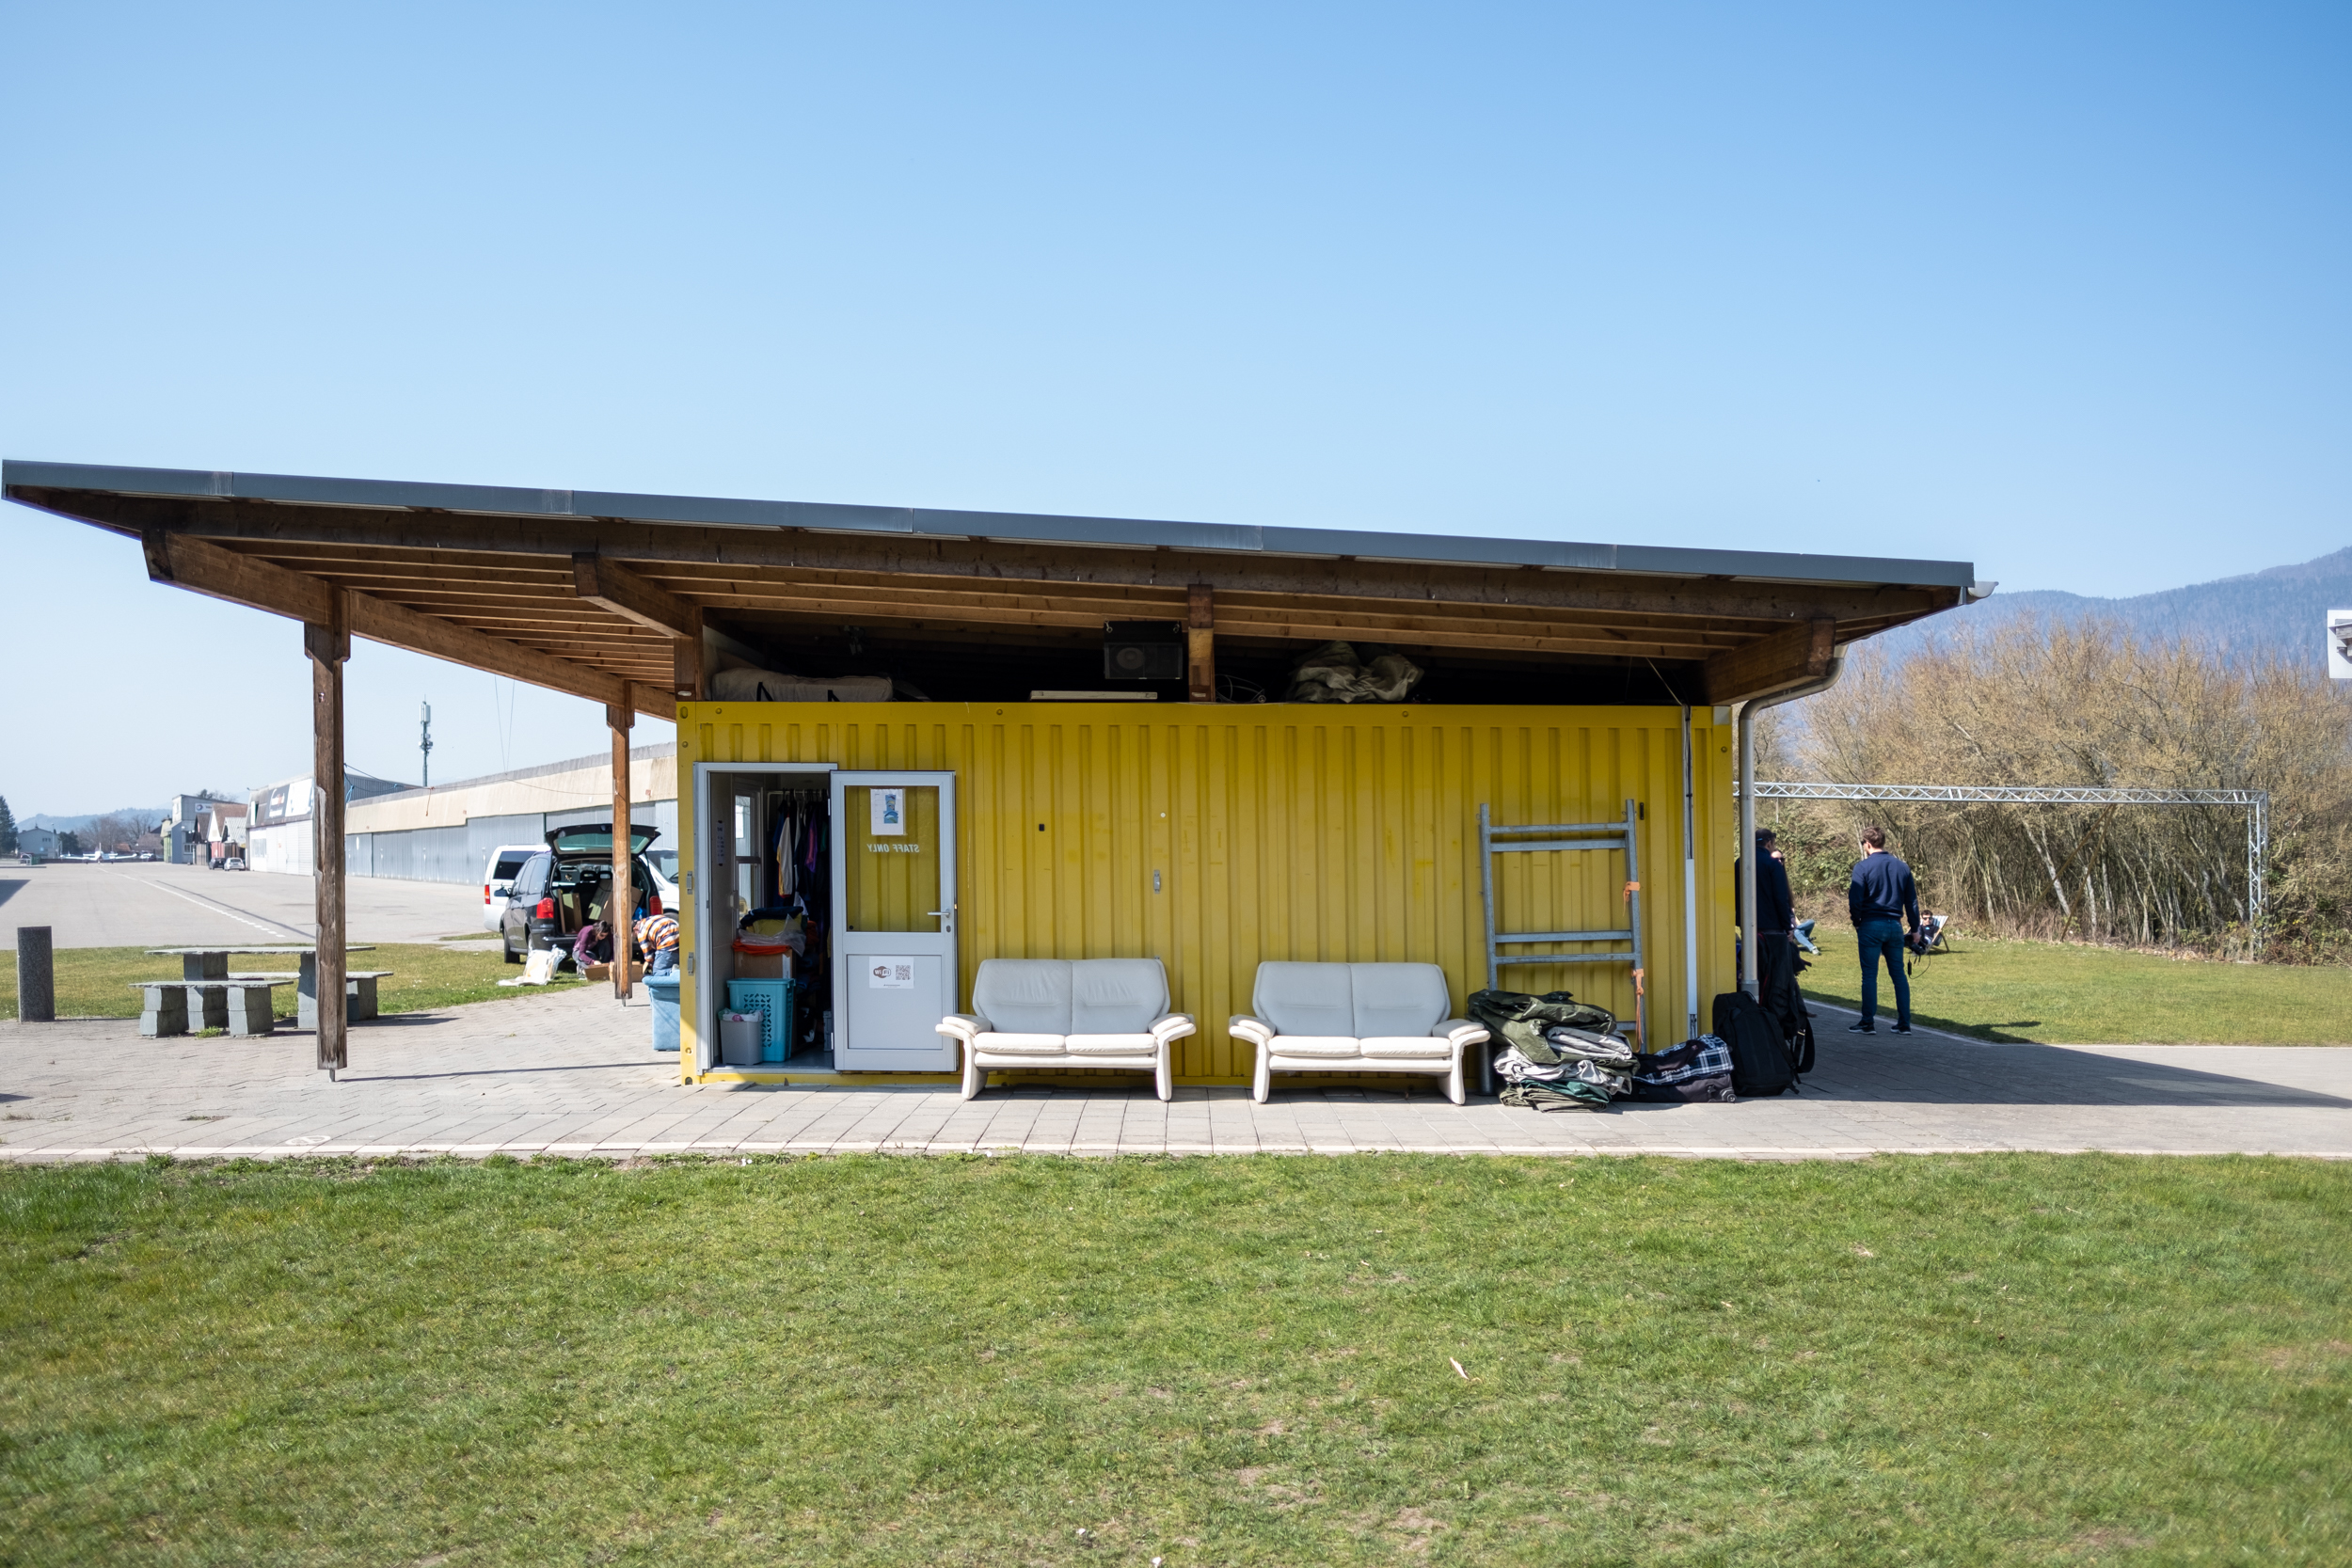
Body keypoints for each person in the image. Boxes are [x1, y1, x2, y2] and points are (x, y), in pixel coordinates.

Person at [1847, 826, 1920, 1034]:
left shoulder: (1862, 867)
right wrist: (1915, 928)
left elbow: (1855, 898)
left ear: (1868, 844)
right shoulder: (1902, 867)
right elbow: (1911, 901)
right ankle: (1904, 1023)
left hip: (1871, 923)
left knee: (1869, 975)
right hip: (1895, 925)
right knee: (1898, 975)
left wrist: (1856, 920)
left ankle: (1868, 1022)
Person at [1735, 829, 1804, 1045]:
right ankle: (1776, 1026)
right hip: (1773, 932)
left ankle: (1754, 1020)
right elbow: (1780, 898)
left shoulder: (1739, 863)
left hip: (1749, 930)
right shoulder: (1772, 865)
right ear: (1769, 843)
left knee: (1752, 974)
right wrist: (1787, 926)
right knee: (1777, 981)